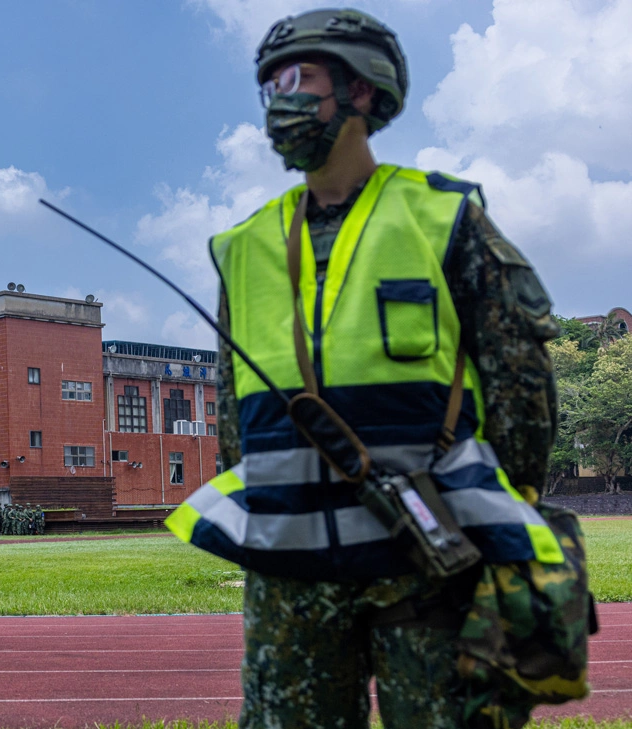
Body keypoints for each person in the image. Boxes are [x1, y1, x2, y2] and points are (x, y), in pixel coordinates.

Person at [165, 9, 563, 729]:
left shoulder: (443, 216)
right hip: (290, 571)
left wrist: (499, 508)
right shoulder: (245, 244)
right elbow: (231, 417)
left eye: (299, 78)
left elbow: (520, 385)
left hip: (428, 555)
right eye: (271, 86)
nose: (281, 100)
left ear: (361, 89)